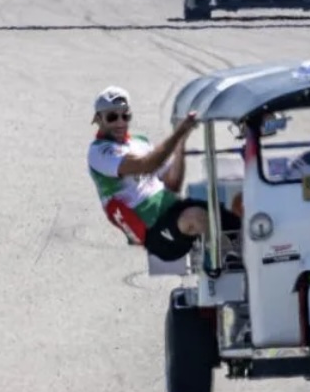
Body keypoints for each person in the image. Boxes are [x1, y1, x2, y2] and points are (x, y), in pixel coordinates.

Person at [88, 86, 228, 262]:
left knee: (229, 215)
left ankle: (235, 254)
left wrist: (180, 143)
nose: (120, 122)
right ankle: (225, 260)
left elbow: (173, 183)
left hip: (173, 209)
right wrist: (179, 132)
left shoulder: (140, 143)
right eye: (112, 117)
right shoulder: (99, 152)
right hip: (153, 229)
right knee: (196, 217)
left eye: (125, 116)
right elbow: (147, 165)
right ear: (98, 119)